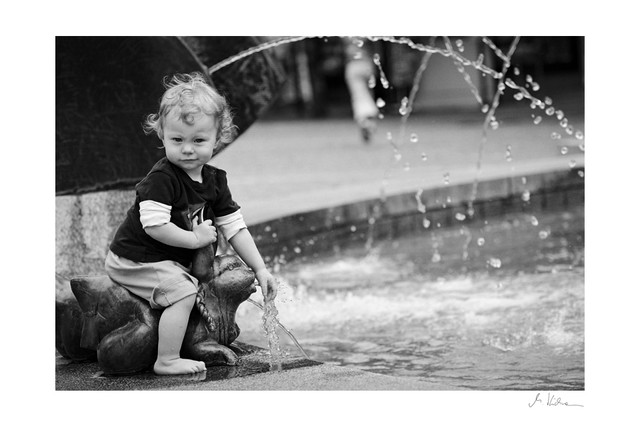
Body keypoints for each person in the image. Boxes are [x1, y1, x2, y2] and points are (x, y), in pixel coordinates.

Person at [104, 72, 278, 375]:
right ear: (162, 135)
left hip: (168, 259)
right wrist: (195, 240)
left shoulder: (215, 181)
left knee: (201, 283)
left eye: (198, 140)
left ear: (217, 139)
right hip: (136, 259)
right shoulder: (161, 180)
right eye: (177, 139)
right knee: (184, 293)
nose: (187, 148)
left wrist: (260, 268)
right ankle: (167, 359)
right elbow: (155, 227)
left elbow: (235, 227)